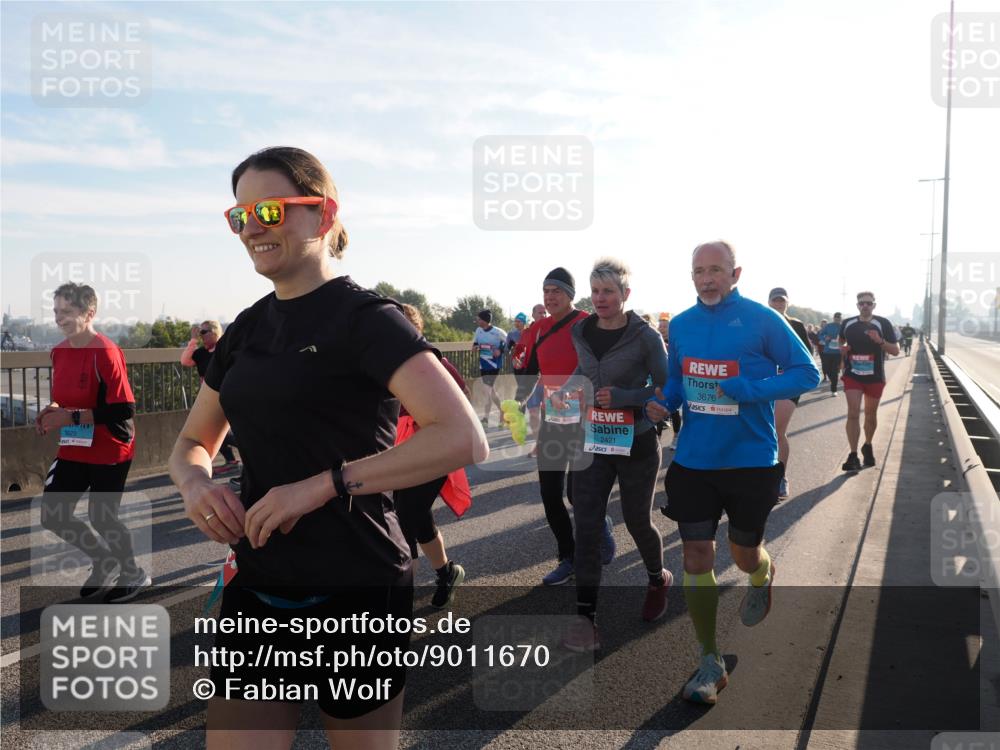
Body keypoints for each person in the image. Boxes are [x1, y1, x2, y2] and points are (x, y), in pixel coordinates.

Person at [168, 146, 486, 748]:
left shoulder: (367, 319)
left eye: (269, 208)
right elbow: (191, 441)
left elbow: (463, 436)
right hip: (258, 584)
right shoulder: (245, 329)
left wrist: (320, 486)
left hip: (357, 585)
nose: (253, 227)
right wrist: (195, 483)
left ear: (324, 215)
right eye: (239, 216)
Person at [645, 241, 818, 705]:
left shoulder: (764, 319)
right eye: (699, 271)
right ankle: (709, 660)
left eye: (716, 270)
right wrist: (667, 400)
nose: (707, 279)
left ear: (735, 272)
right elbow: (679, 379)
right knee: (696, 554)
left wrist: (753, 388)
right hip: (694, 461)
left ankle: (761, 573)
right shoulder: (680, 324)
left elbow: (807, 373)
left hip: (750, 462)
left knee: (743, 554)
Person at [557, 258, 671, 651]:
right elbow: (584, 373)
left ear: (625, 294)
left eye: (609, 291)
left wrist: (626, 397)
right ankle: (586, 618)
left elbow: (665, 388)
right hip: (594, 440)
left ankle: (657, 578)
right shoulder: (581, 330)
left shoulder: (646, 336)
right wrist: (560, 392)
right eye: (596, 291)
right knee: (586, 526)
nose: (601, 298)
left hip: (637, 441)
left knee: (637, 521)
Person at [36, 282, 149, 603]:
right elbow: (64, 398)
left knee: (102, 516)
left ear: (89, 313)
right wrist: (53, 410)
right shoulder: (58, 351)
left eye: (67, 312)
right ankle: (104, 559)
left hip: (112, 446)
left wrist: (69, 418)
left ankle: (132, 572)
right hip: (75, 444)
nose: (59, 318)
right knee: (53, 514)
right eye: (56, 311)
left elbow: (123, 408)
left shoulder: (105, 352)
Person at [528, 268, 614, 585]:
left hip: (584, 418)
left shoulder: (588, 325)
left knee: (577, 495)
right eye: (546, 290)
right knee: (550, 494)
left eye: (557, 291)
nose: (550, 297)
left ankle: (600, 524)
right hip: (553, 417)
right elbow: (538, 372)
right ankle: (569, 557)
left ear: (571, 295)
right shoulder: (539, 329)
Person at [395, 304, 472, 610]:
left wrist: (432, 421)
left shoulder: (433, 361)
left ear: (416, 331)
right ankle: (446, 572)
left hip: (434, 449)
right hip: (400, 450)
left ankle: (399, 598)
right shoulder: (382, 362)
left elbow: (463, 400)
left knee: (403, 520)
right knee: (416, 517)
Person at [839, 291, 899, 472]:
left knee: (870, 415)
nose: (865, 306)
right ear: (857, 305)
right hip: (853, 375)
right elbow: (840, 342)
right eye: (861, 303)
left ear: (874, 305)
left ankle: (868, 444)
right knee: (853, 413)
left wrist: (880, 341)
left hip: (875, 376)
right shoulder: (847, 323)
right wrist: (843, 349)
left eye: (868, 303)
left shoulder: (883, 323)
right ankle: (853, 454)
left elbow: (895, 350)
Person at [766, 288, 813, 500]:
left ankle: (780, 478)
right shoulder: (760, 322)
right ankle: (759, 476)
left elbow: (807, 356)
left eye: (781, 301)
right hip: (764, 384)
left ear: (787, 303)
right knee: (762, 430)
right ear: (768, 302)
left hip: (788, 384)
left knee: (777, 429)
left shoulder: (796, 325)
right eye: (774, 301)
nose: (778, 304)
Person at [180, 320, 240, 475]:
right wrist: (193, 340)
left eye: (203, 333)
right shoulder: (201, 353)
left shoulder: (225, 350)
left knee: (222, 432)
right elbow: (185, 361)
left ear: (214, 333)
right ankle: (232, 460)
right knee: (209, 432)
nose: (202, 336)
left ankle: (251, 449)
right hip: (209, 399)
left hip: (228, 396)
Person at [512, 304, 547, 455]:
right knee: (533, 412)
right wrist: (516, 359)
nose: (543, 314)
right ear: (533, 315)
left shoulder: (553, 330)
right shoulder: (527, 332)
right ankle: (539, 444)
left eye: (545, 312)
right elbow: (519, 350)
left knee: (550, 415)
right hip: (533, 380)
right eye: (540, 312)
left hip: (551, 380)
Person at [472, 310, 507, 428]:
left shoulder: (497, 332)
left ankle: (486, 418)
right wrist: (475, 347)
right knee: (489, 391)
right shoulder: (478, 330)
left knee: (488, 390)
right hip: (483, 363)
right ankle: (501, 411)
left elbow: (509, 343)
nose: (477, 321)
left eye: (479, 319)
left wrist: (500, 350)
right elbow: (475, 343)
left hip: (494, 364)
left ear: (485, 320)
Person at [657, 312, 682, 450]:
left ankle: (676, 436)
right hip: (659, 382)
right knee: (658, 409)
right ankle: (658, 439)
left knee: (674, 411)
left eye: (665, 326)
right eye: (660, 326)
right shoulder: (655, 341)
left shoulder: (674, 342)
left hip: (672, 382)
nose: (662, 328)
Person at [818, 313, 844, 395]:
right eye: (836, 317)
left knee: (835, 371)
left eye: (838, 317)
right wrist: (825, 337)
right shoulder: (828, 326)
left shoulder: (843, 327)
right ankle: (833, 380)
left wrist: (842, 340)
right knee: (826, 369)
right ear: (833, 318)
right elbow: (820, 335)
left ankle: (834, 390)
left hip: (838, 352)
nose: (837, 319)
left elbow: (847, 337)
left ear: (841, 318)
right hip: (827, 351)